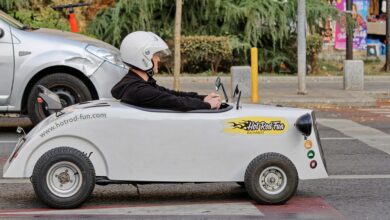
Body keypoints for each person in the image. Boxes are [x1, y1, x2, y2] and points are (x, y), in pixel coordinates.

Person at [111, 31, 222, 111]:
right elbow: (177, 102)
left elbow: (171, 94)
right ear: (143, 57)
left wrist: (203, 98)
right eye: (155, 55)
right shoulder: (139, 90)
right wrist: (207, 105)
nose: (158, 59)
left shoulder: (136, 84)